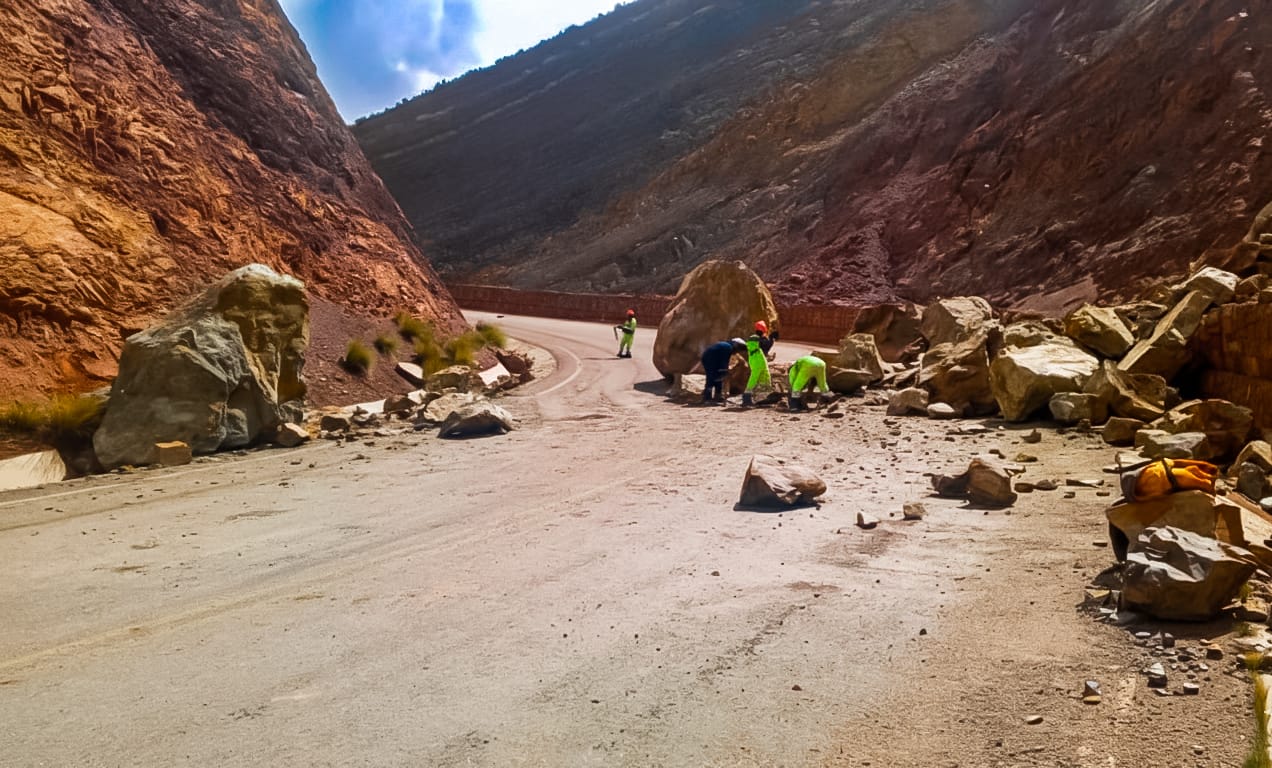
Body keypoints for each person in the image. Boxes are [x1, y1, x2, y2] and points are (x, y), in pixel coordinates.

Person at [700, 338, 747, 405]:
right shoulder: (727, 348)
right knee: (711, 378)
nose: (737, 352)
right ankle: (707, 398)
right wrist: (724, 371)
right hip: (710, 360)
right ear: (736, 345)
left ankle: (718, 397)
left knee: (718, 378)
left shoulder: (726, 346)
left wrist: (723, 372)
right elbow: (724, 361)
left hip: (712, 359)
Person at [741, 320, 775, 406]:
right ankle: (747, 397)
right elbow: (765, 346)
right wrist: (771, 339)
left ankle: (763, 397)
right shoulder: (756, 338)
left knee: (764, 377)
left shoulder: (754, 338)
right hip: (758, 362)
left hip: (758, 361)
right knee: (755, 378)